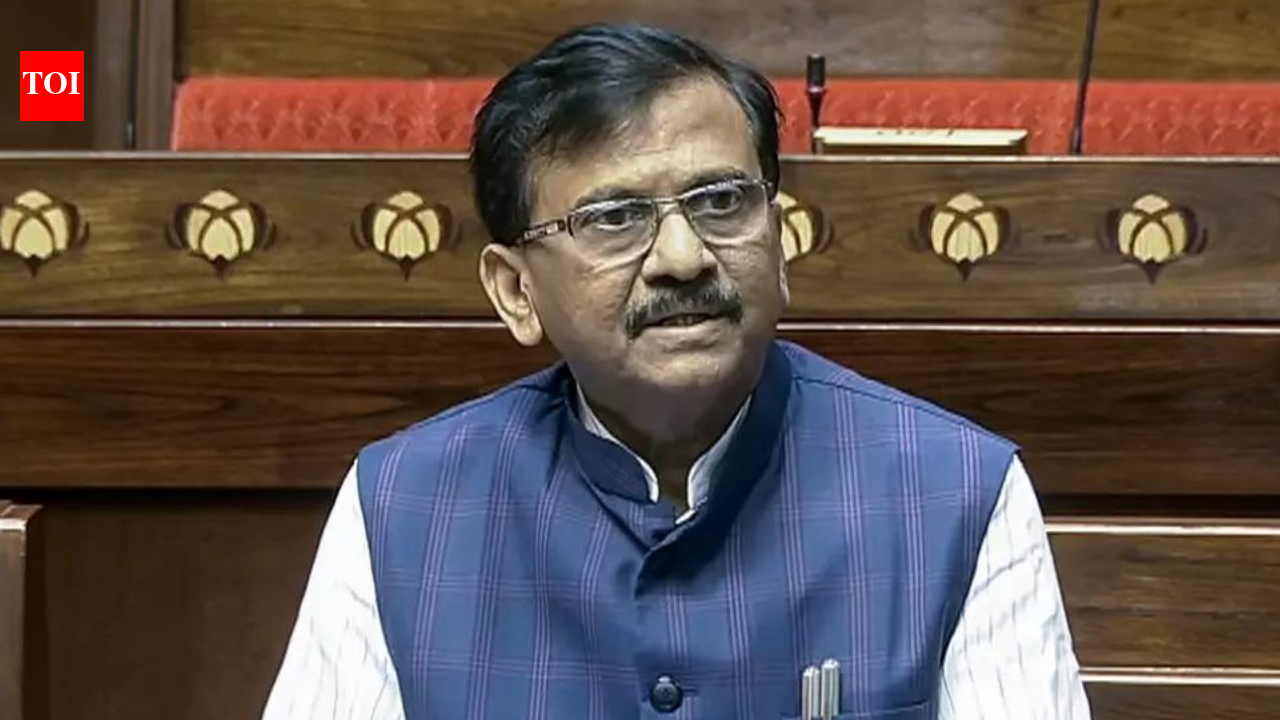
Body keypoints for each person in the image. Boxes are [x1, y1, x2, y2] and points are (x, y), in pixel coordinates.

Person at [262, 23, 1090, 720]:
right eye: (615, 218)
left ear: (780, 241)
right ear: (516, 291)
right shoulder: (405, 504)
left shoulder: (953, 490)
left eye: (722, 201)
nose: (684, 257)